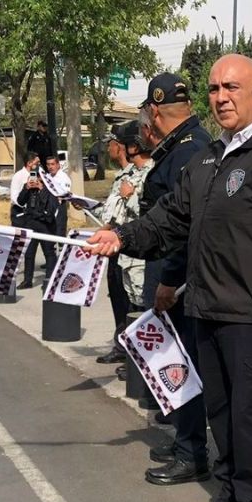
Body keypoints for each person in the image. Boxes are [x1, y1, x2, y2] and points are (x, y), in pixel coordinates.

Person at [87, 54, 252, 502]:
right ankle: (233, 498)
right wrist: (120, 236)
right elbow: (168, 221)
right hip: (207, 310)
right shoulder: (210, 158)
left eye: (232, 87)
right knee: (221, 413)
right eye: (214, 89)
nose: (221, 97)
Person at [131, 71, 212, 486]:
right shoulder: (188, 146)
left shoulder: (185, 152)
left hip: (174, 274)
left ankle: (191, 451)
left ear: (155, 110)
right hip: (169, 269)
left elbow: (183, 225)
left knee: (183, 363)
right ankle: (185, 438)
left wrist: (168, 281)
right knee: (177, 360)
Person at [95, 121, 151, 365]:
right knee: (128, 304)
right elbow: (114, 212)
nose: (110, 149)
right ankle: (130, 356)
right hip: (124, 251)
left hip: (138, 252)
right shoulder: (130, 176)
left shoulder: (148, 174)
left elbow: (144, 214)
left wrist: (131, 196)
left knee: (140, 307)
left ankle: (138, 361)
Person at [9, 153, 55, 289]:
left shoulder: (47, 184)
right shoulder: (25, 182)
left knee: (49, 252)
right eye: (34, 176)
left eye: (38, 177)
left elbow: (52, 202)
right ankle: (27, 280)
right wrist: (26, 188)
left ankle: (49, 280)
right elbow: (20, 200)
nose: (35, 179)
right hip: (30, 222)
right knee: (29, 253)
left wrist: (42, 189)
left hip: (46, 223)